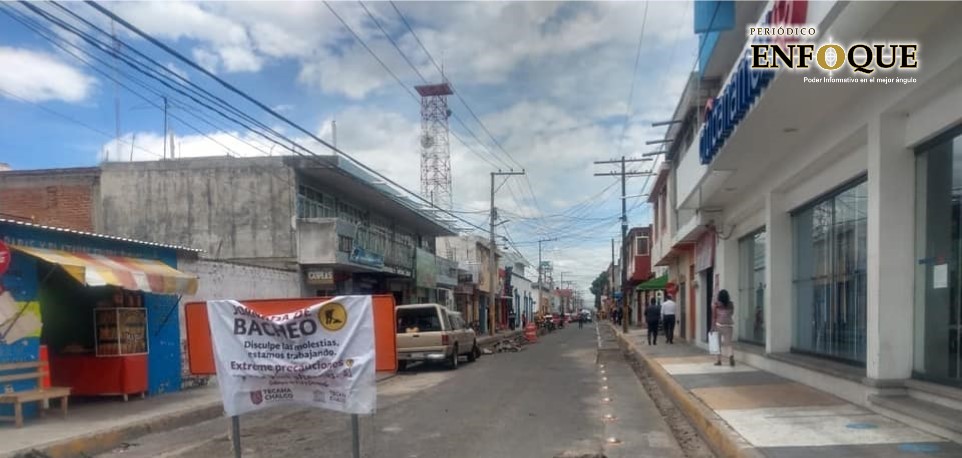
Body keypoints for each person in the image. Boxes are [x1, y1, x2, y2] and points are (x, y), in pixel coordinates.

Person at [712, 289, 736, 366]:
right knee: (728, 343)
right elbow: (732, 313)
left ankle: (719, 361)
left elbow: (714, 316)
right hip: (728, 325)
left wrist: (712, 326)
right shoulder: (731, 304)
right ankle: (731, 355)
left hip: (718, 325)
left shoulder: (716, 305)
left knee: (717, 344)